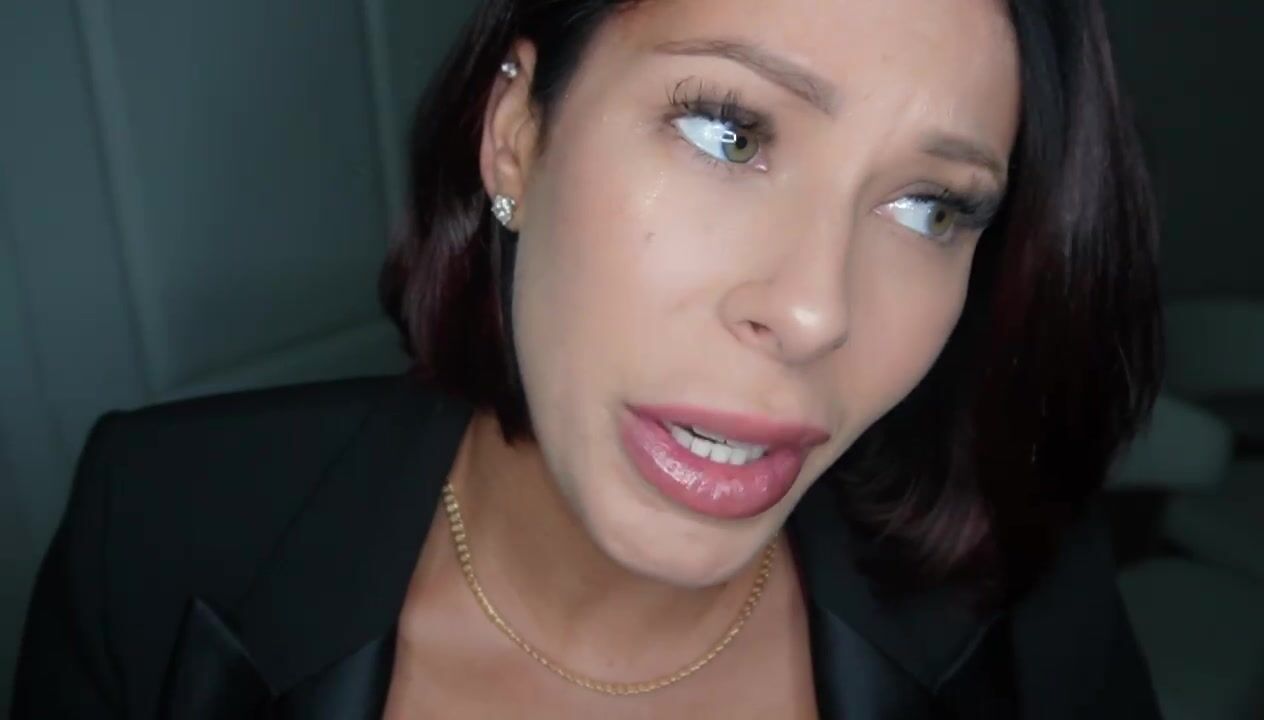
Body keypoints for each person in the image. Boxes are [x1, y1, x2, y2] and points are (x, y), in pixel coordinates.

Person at [12, 0, 1165, 717]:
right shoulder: (154, 524)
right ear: (516, 132)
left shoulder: (1027, 595)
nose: (815, 311)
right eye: (727, 131)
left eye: (928, 208)